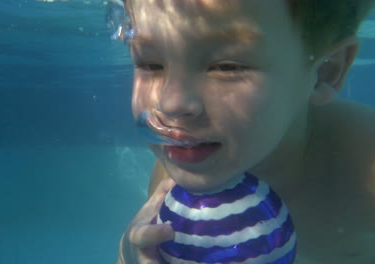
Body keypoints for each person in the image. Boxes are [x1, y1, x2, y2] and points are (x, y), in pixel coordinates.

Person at [115, 0, 375, 263]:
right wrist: (130, 253)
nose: (171, 103)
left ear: (324, 72)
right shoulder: (170, 187)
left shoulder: (366, 168)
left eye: (226, 66)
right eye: (150, 64)